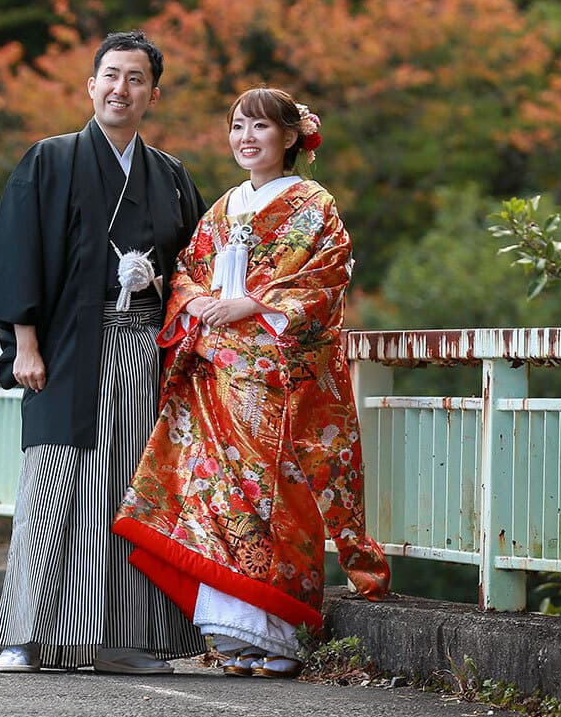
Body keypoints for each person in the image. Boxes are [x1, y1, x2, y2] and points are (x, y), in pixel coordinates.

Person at [113, 87, 389, 677]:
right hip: (219, 375)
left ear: (290, 137)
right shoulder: (224, 206)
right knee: (218, 497)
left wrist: (250, 306)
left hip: (280, 378)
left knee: (277, 493)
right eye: (237, 126)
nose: (246, 138)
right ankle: (236, 636)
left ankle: (280, 637)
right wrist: (203, 303)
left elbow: (326, 278)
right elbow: (187, 272)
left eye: (259, 127)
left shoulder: (313, 204)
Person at [0, 31, 207, 675]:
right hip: (68, 344)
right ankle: (27, 635)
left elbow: (197, 268)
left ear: (153, 94)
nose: (120, 89)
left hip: (144, 350)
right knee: (55, 485)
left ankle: (122, 640)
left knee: (132, 490)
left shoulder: (170, 175)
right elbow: (18, 254)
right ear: (90, 85)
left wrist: (155, 281)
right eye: (110, 76)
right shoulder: (50, 159)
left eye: (134, 79)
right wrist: (24, 344)